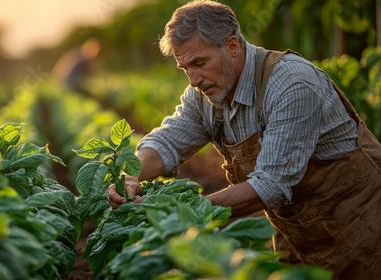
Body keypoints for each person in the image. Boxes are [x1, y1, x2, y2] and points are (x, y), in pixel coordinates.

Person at [107, 1, 381, 279]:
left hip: (361, 231)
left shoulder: (292, 83)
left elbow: (271, 185)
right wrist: (131, 174)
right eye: (184, 68)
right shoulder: (206, 94)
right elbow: (168, 142)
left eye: (199, 63)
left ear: (233, 46)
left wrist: (184, 210)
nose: (193, 80)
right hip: (297, 234)